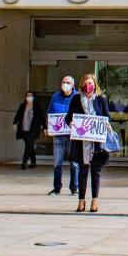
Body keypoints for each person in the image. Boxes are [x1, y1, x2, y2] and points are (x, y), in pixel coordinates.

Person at [66, 73, 111, 212]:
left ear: (95, 84)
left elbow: (106, 117)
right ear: (82, 85)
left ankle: (95, 201)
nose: (88, 85)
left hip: (96, 142)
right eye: (85, 83)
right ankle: (81, 201)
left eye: (90, 83)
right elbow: (68, 117)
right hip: (81, 142)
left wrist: (107, 125)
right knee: (82, 172)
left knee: (96, 172)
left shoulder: (101, 99)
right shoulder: (75, 99)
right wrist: (71, 123)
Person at [47, 76, 80, 195]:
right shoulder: (55, 97)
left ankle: (74, 188)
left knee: (74, 163)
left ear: (73, 85)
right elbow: (50, 112)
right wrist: (48, 127)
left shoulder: (77, 97)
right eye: (63, 82)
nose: (65, 84)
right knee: (57, 162)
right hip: (58, 135)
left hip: (73, 135)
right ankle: (57, 187)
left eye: (68, 82)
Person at [12, 90, 42, 169]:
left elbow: (41, 117)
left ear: (33, 97)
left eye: (30, 95)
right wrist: (15, 123)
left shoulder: (37, 106)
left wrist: (45, 128)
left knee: (28, 144)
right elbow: (18, 114)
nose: (29, 97)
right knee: (29, 145)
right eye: (27, 95)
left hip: (33, 129)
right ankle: (33, 161)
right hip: (24, 128)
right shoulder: (22, 106)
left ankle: (24, 162)